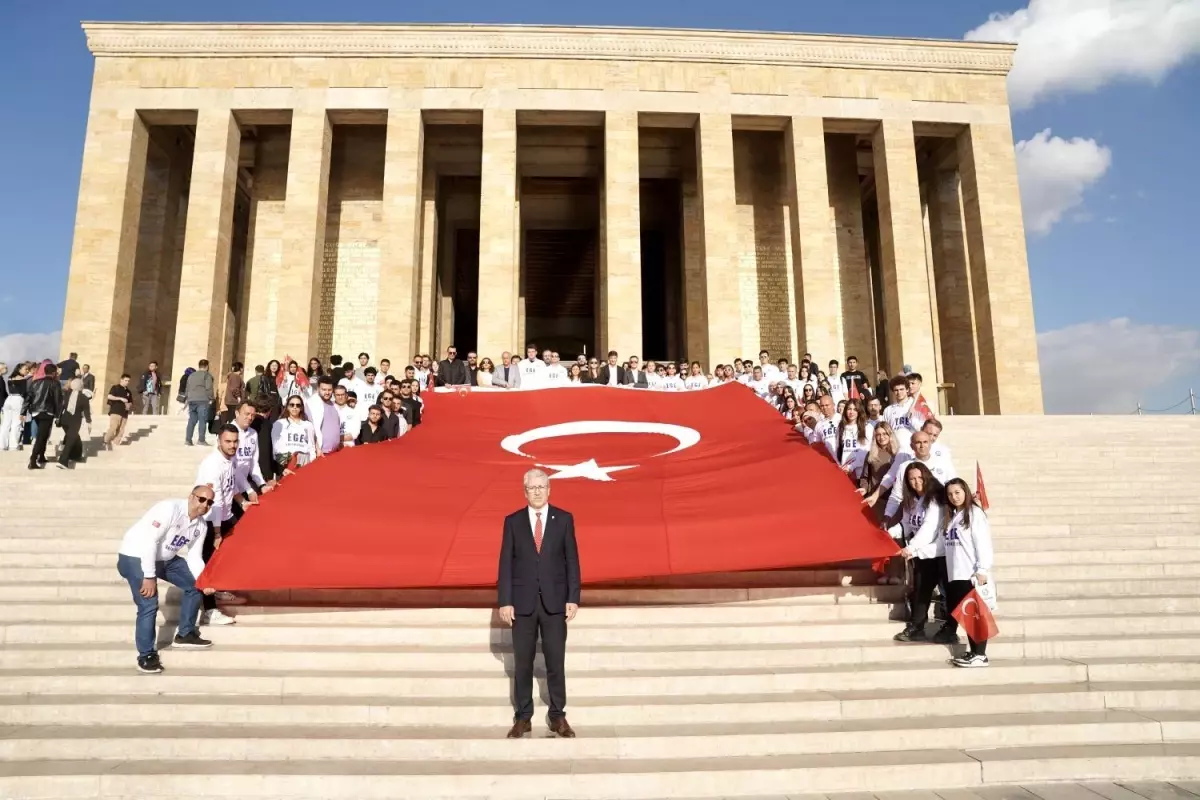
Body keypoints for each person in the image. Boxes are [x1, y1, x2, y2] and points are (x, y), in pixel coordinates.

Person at [498, 468, 580, 739]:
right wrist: (505, 601)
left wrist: (573, 597)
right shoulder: (513, 521)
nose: (537, 491)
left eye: (541, 486)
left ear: (549, 489)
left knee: (556, 661)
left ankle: (558, 716)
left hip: (555, 603)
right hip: (522, 604)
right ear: (524, 491)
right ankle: (523, 717)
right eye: (532, 487)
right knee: (523, 662)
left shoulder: (564, 519)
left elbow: (572, 561)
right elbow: (506, 564)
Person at [116, 487, 216, 673]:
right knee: (149, 604)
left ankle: (185, 634)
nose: (205, 504)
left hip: (165, 559)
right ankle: (146, 655)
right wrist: (149, 576)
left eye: (210, 502)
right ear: (191, 497)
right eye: (201, 499)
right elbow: (149, 541)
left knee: (195, 586)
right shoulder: (169, 509)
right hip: (134, 556)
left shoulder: (200, 525)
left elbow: (195, 557)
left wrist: (204, 580)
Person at [889, 462, 955, 644]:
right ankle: (917, 628)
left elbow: (930, 528)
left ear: (927, 476)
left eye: (919, 477)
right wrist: (889, 534)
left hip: (941, 551)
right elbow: (906, 524)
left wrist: (912, 548)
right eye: (912, 479)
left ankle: (950, 630)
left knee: (948, 594)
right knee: (920, 591)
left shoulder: (936, 498)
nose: (917, 482)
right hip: (923, 554)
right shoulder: (911, 500)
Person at [195, 425, 254, 626]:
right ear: (219, 441)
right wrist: (218, 532)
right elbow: (216, 499)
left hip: (226, 517)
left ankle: (221, 588)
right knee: (209, 564)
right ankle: (209, 610)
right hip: (212, 521)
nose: (232, 445)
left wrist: (243, 502)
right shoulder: (213, 464)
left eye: (235, 441)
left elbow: (232, 487)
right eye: (228, 441)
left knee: (228, 556)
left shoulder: (228, 461)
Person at [23, 362, 62, 470]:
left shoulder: (35, 382)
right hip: (47, 412)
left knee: (43, 435)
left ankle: (41, 456)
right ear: (54, 372)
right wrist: (58, 416)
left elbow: (28, 397)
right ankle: (33, 459)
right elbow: (58, 401)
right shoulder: (55, 383)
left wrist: (23, 412)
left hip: (36, 411)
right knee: (41, 436)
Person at [272, 395, 318, 474]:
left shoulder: (308, 425)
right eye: (292, 405)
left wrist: (312, 463)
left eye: (298, 405)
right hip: (286, 461)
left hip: (304, 460)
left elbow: (311, 447)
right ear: (287, 407)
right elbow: (275, 447)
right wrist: (281, 467)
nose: (295, 407)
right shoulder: (279, 423)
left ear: (301, 407)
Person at [56, 377, 91, 469]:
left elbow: (61, 407)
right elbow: (87, 411)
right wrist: (89, 422)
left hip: (64, 420)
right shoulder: (84, 398)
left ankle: (76, 455)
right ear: (81, 386)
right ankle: (63, 461)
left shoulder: (66, 394)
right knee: (70, 440)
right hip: (75, 421)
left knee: (74, 437)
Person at [304, 376, 342, 456]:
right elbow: (309, 429)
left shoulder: (334, 405)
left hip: (335, 452)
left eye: (329, 390)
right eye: (324, 390)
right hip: (321, 453)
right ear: (318, 389)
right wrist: (317, 448)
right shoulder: (311, 404)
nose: (327, 392)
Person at [184, 359, 215, 447]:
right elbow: (209, 388)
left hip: (192, 400)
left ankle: (188, 440)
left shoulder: (191, 375)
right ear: (207, 366)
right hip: (202, 400)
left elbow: (187, 388)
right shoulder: (207, 375)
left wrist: (188, 398)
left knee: (192, 420)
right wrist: (211, 398)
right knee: (202, 420)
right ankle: (201, 440)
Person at [103, 374, 133, 450]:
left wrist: (129, 405)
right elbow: (110, 396)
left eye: (128, 381)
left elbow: (130, 401)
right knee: (113, 427)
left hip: (125, 412)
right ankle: (106, 441)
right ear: (121, 380)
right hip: (116, 411)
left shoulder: (128, 391)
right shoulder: (115, 387)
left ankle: (116, 442)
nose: (127, 382)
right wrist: (120, 399)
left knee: (121, 429)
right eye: (126, 380)